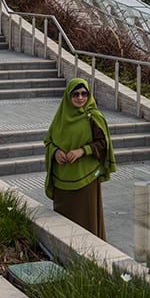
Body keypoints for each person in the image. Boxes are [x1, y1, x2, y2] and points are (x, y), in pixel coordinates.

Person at [44, 78, 116, 240]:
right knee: (64, 222)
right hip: (62, 180)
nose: (80, 98)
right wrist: (55, 152)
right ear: (68, 96)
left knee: (86, 222)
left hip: (86, 179)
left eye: (84, 94)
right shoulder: (60, 117)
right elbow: (48, 141)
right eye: (75, 94)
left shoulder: (93, 117)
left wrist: (83, 151)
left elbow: (104, 143)